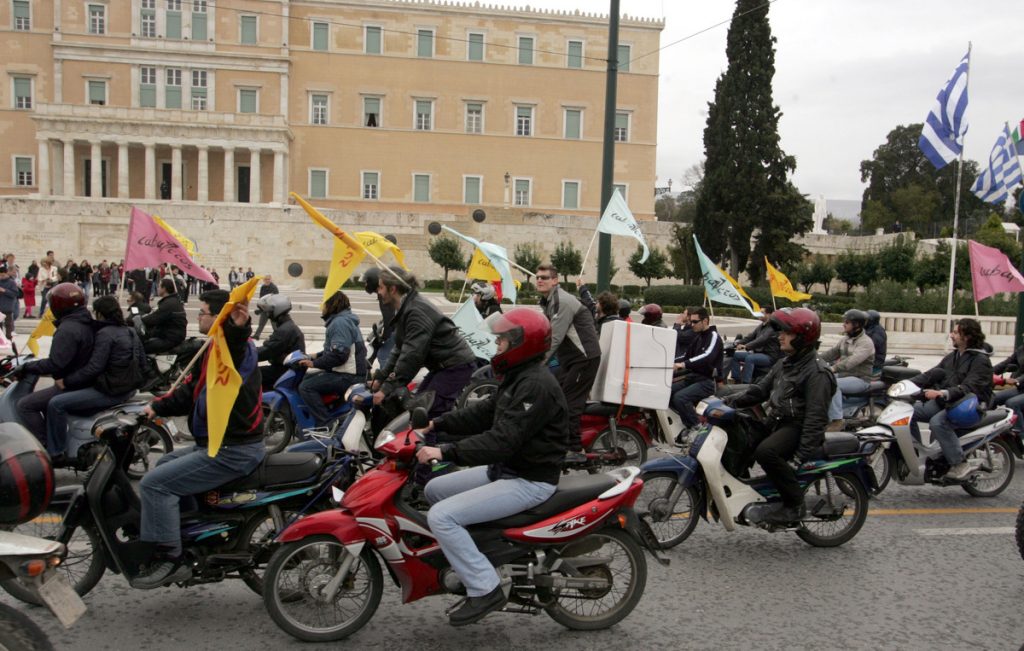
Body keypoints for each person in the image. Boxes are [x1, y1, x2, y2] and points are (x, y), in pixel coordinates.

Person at [415, 308, 568, 626]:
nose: (496, 346)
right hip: (506, 469)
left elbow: (500, 441)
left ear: (520, 344)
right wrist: (437, 423)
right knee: (434, 489)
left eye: (501, 341)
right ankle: (478, 551)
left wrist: (444, 452)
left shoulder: (536, 385)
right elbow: (485, 413)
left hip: (529, 479)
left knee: (441, 517)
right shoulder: (520, 377)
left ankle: (486, 588)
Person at [135, 289, 265, 589]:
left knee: (154, 484)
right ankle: (190, 532)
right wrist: (156, 406)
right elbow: (189, 392)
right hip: (217, 443)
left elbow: (235, 340)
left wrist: (237, 325)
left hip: (232, 449)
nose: (198, 316)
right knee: (166, 461)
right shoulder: (213, 349)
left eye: (203, 312)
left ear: (219, 317)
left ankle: (170, 557)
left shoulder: (233, 347)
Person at [724, 307, 835, 524]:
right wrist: (728, 400)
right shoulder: (786, 362)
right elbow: (760, 390)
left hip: (797, 426)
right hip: (776, 420)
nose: (780, 336)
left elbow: (816, 417)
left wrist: (799, 457)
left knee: (766, 453)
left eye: (787, 333)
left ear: (803, 338)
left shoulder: (817, 372)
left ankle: (794, 506)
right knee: (739, 436)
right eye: (780, 331)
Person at [44, 296, 146, 465]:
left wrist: (67, 381)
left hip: (111, 390)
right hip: (128, 388)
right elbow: (142, 361)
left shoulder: (105, 334)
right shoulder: (130, 331)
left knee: (56, 404)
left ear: (99, 314)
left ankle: (56, 453)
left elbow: (94, 368)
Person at [372, 267, 476, 418]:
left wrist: (386, 388)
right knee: (415, 409)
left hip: (455, 366)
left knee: (426, 413)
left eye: (381, 287)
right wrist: (381, 377)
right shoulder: (405, 307)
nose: (378, 291)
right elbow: (399, 349)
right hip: (442, 366)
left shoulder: (415, 312)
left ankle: (432, 441)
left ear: (393, 289)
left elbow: (411, 356)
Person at [906, 318, 993, 481]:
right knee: (909, 412)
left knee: (938, 422)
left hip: (970, 405)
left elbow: (969, 387)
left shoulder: (980, 360)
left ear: (966, 336)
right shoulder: (953, 356)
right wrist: (905, 384)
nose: (951, 335)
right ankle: (923, 453)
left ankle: (959, 463)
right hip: (949, 402)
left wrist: (942, 393)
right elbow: (931, 374)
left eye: (955, 332)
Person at [16, 283, 96, 443]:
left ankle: (45, 444)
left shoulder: (68, 329)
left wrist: (27, 367)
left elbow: (56, 363)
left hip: (71, 383)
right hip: (80, 378)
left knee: (25, 405)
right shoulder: (84, 320)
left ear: (58, 305)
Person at [535, 263, 601, 459]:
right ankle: (557, 439)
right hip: (571, 359)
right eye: (537, 277)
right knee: (555, 395)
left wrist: (538, 363)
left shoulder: (562, 301)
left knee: (569, 403)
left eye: (544, 277)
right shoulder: (549, 300)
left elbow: (554, 337)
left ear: (555, 280)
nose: (539, 280)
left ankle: (575, 449)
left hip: (584, 358)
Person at [296, 291, 365, 426]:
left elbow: (339, 355)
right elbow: (335, 349)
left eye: (324, 304)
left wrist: (314, 363)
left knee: (306, 387)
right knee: (308, 378)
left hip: (349, 376)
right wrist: (314, 356)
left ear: (332, 304)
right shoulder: (343, 320)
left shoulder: (340, 323)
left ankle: (325, 424)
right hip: (347, 372)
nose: (322, 307)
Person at [669, 306, 723, 441]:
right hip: (693, 378)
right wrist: (666, 363)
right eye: (690, 322)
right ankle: (687, 422)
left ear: (705, 321)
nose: (691, 325)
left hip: (707, 381)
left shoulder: (713, 336)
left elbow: (708, 356)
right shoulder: (698, 337)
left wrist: (682, 365)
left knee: (680, 398)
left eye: (694, 322)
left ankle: (698, 428)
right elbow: (686, 356)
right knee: (667, 391)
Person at [820, 309, 875, 430]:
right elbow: (831, 353)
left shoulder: (866, 343)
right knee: (819, 380)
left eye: (847, 322)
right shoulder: (845, 339)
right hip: (844, 376)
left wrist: (833, 368)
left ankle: (836, 421)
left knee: (833, 384)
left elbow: (852, 361)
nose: (843, 324)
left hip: (860, 379)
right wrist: (813, 359)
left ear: (856, 325)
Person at [256, 294, 306, 391]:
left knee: (250, 375)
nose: (267, 315)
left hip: (285, 371)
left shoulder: (284, 330)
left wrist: (246, 354)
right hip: (287, 370)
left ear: (277, 310)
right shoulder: (288, 326)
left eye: (269, 312)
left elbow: (266, 351)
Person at [729, 307, 781, 384]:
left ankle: (746, 383)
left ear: (769, 314)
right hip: (758, 354)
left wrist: (746, 346)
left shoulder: (772, 328)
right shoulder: (761, 326)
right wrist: (736, 343)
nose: (759, 314)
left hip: (769, 356)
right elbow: (750, 337)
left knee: (750, 358)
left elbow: (762, 340)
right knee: (735, 355)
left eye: (762, 313)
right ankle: (737, 380)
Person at [140, 278, 187, 354]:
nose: (157, 288)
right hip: (172, 336)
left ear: (164, 288)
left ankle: (145, 365)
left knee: (140, 347)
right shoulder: (172, 300)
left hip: (170, 339)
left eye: (159, 286)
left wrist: (140, 319)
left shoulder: (169, 303)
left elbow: (154, 318)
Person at [363, 267, 397, 370]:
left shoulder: (384, 296)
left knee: (383, 354)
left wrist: (384, 337)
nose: (365, 284)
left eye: (366, 281)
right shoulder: (384, 293)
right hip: (398, 329)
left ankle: (385, 378)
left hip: (398, 332)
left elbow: (389, 318)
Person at [993, 334, 1024, 431]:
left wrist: (1018, 380)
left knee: (1012, 403)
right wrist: (987, 372)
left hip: (1020, 384)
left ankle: (1019, 437)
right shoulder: (1021, 350)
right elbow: (1006, 363)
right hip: (1021, 388)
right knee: (993, 398)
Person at [253, 275, 279, 340]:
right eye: (266, 279)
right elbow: (261, 298)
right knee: (261, 323)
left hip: (271, 310)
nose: (267, 280)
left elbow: (276, 298)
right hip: (264, 309)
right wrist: (259, 308)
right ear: (264, 280)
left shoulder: (274, 287)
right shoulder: (263, 287)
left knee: (274, 325)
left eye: (268, 279)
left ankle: (278, 336)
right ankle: (256, 335)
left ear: (271, 279)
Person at [0, 262, 19, 352]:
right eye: (0, 275)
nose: (2, 277)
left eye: (3, 275)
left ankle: (10, 343)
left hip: (7, 308)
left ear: (6, 273)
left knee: (9, 327)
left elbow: (14, 294)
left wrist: (4, 290)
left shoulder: (11, 282)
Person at [864, 309, 887, 374]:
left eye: (866, 320)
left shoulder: (878, 331)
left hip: (874, 365)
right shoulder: (868, 329)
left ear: (871, 320)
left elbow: (871, 345)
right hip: (866, 363)